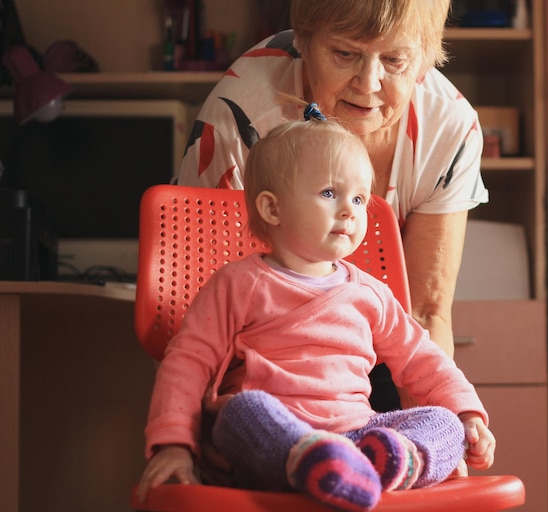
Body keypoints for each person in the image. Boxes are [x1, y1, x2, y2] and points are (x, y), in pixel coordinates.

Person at [137, 120, 496, 512]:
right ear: (272, 208)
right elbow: (188, 362)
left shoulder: (370, 293)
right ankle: (309, 461)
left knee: (442, 423)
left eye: (360, 199)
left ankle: (388, 462)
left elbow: (420, 357)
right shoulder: (238, 284)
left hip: (357, 434)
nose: (349, 210)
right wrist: (174, 446)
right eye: (330, 193)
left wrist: (464, 411)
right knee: (241, 412)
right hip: (272, 434)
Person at [176, 1, 489, 392]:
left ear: (425, 59)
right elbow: (199, 309)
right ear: (303, 41)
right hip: (260, 357)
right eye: (345, 53)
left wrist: (439, 430)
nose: (368, 83)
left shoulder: (448, 129)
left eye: (394, 60)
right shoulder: (241, 114)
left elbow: (424, 314)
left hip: (378, 352)